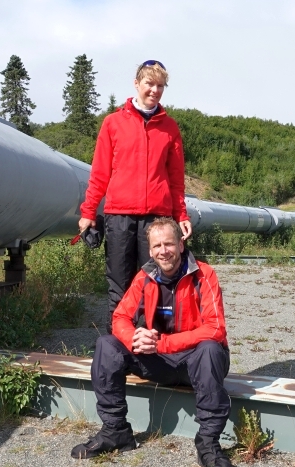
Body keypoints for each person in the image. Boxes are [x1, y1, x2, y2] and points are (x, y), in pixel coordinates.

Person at [70, 218, 235, 467]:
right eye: (157, 245)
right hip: (160, 361)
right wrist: (134, 337)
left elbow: (216, 328)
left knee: (211, 348)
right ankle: (116, 431)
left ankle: (208, 443)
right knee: (107, 344)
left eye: (169, 243)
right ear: (150, 251)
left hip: (196, 362)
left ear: (181, 244)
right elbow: (119, 318)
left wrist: (163, 343)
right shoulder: (145, 276)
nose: (163, 250)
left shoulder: (204, 274)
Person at [78, 60, 193, 332]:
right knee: (119, 285)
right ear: (137, 83)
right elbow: (100, 173)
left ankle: (154, 349)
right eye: (149, 84)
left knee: (155, 283)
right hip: (119, 217)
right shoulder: (113, 123)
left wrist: (182, 215)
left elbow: (176, 180)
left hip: (157, 218)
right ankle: (119, 348)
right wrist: (88, 212)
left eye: (160, 86)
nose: (154, 90)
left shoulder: (170, 128)